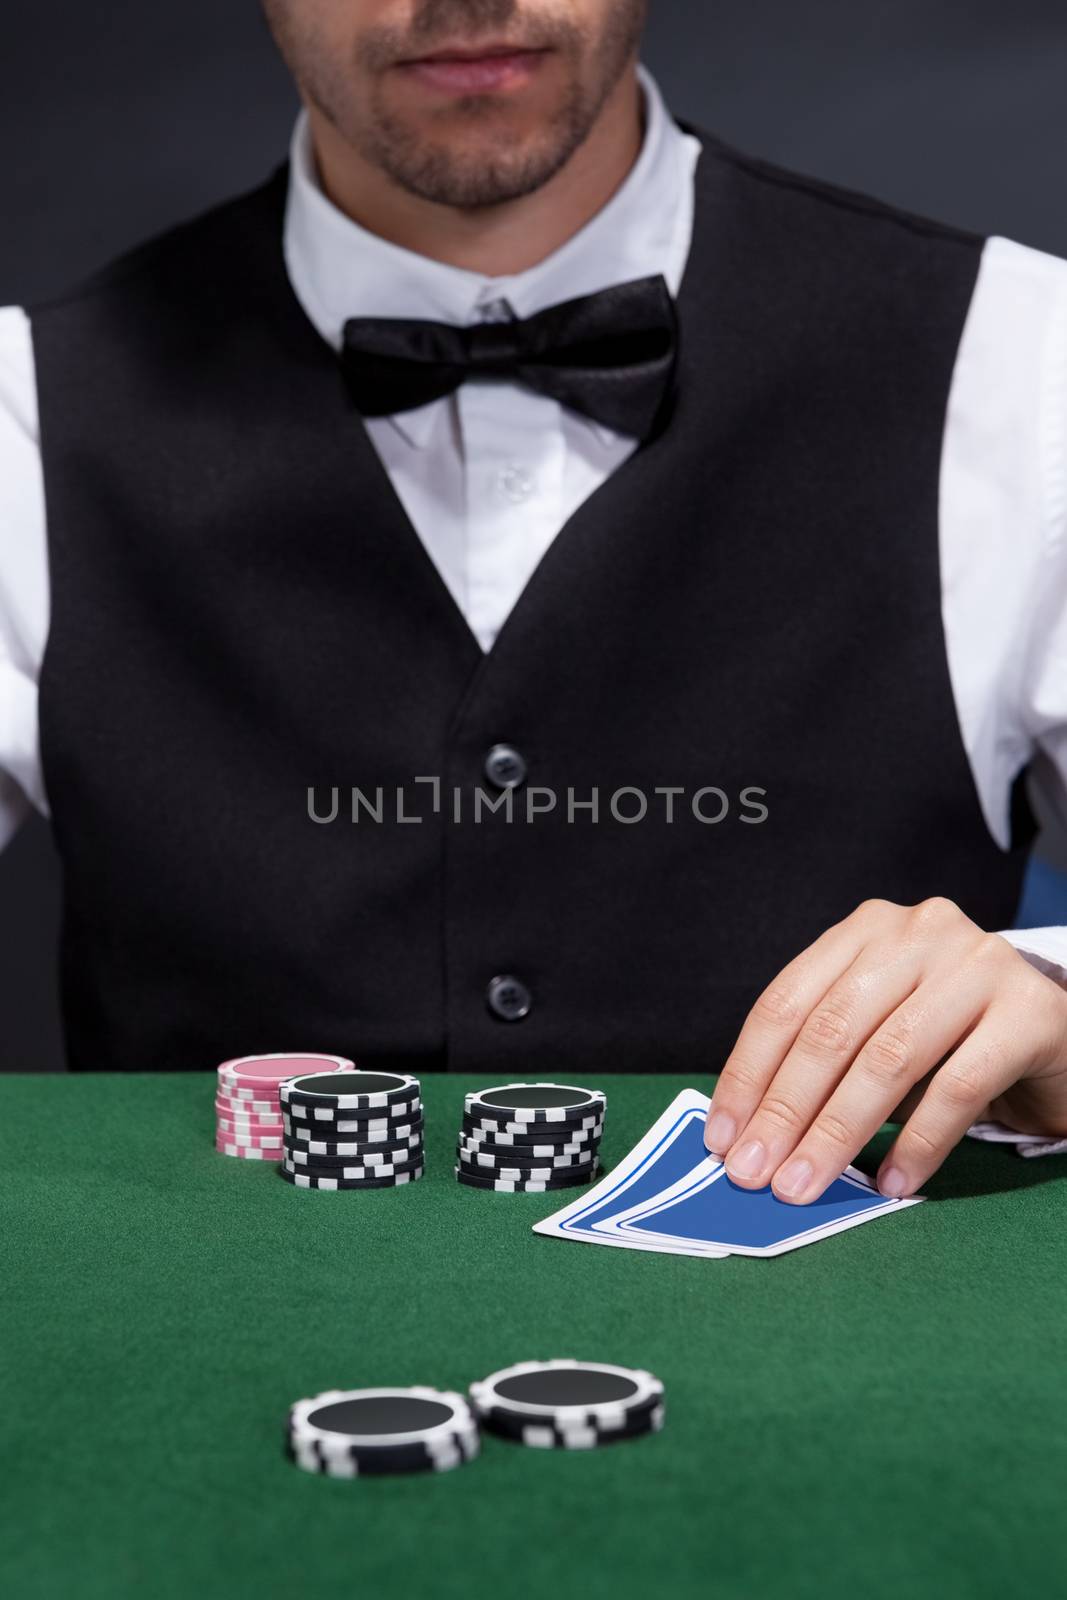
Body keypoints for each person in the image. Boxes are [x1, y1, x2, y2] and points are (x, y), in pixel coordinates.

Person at [2, 0, 1066, 1206]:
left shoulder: (1028, 367)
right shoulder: (25, 408)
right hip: (191, 1359)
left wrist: (1054, 1018)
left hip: (845, 1354)